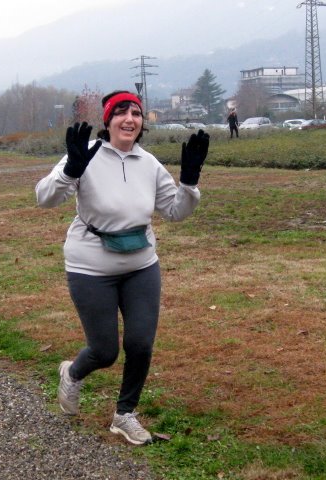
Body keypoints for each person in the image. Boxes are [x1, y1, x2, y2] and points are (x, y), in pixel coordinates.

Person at [35, 90, 209, 445]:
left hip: (141, 265)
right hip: (90, 266)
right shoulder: (85, 155)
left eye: (136, 113)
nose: (129, 119)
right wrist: (70, 170)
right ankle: (73, 373)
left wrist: (189, 182)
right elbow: (44, 198)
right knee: (104, 351)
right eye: (121, 113)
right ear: (108, 120)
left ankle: (125, 414)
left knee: (140, 344)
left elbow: (175, 211)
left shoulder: (149, 164)